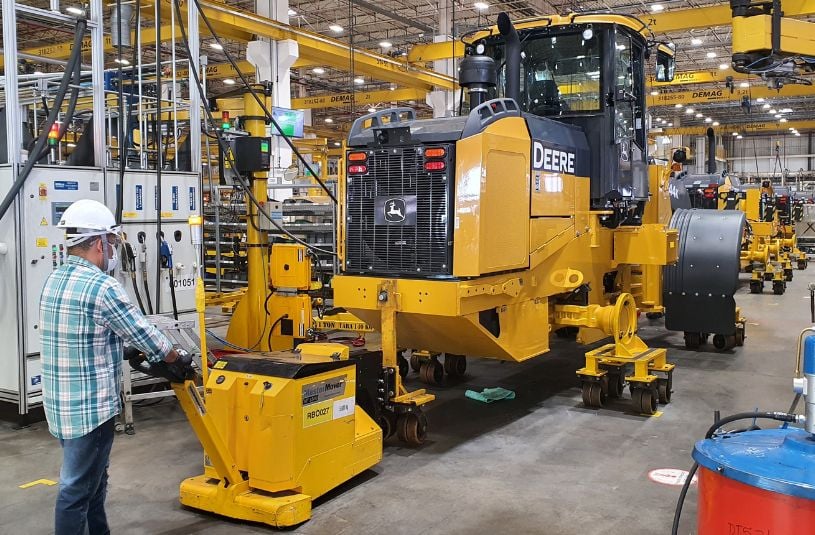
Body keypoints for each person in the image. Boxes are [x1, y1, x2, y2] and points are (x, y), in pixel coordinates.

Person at [39, 199, 191, 535]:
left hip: (61, 406)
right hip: (90, 410)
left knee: (91, 482)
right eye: (110, 242)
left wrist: (117, 349)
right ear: (97, 243)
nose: (112, 251)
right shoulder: (102, 286)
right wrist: (175, 356)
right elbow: (148, 338)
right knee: (77, 489)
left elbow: (78, 334)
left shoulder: (54, 280)